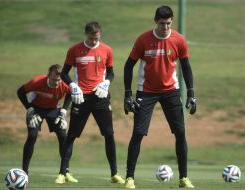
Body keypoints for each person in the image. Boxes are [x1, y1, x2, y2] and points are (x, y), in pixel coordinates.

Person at [123, 5, 197, 189]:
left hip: (171, 91)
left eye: (169, 23)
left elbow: (186, 67)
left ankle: (183, 178)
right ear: (156, 21)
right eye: (162, 23)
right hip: (146, 91)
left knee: (180, 133)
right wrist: (127, 95)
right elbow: (127, 66)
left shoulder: (179, 40)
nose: (165, 27)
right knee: (139, 133)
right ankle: (129, 178)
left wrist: (191, 94)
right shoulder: (143, 39)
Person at [55, 21, 125, 184]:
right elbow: (64, 73)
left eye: (97, 38)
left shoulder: (107, 50)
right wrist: (72, 86)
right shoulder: (74, 50)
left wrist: (107, 82)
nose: (94, 41)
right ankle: (62, 173)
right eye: (92, 38)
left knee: (109, 134)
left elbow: (111, 72)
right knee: (71, 135)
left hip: (100, 97)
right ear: (86, 34)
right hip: (81, 97)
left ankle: (114, 173)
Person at [17, 64, 73, 178]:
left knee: (63, 135)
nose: (57, 82)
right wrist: (29, 109)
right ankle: (24, 172)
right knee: (32, 135)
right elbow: (20, 92)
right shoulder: (37, 81)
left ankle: (65, 171)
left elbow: (71, 93)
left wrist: (63, 110)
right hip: (36, 109)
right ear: (48, 76)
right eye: (54, 79)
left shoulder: (64, 84)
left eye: (59, 79)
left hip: (53, 109)